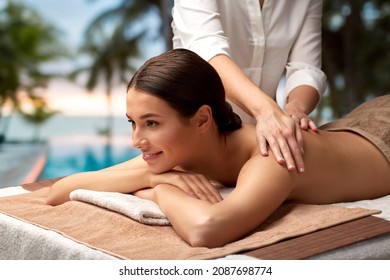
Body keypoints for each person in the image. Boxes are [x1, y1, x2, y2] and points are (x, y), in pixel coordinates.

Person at [46, 49, 390, 248]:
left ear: (201, 119)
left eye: (151, 123)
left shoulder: (270, 154)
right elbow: (60, 191)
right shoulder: (177, 153)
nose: (137, 140)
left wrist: (160, 189)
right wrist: (153, 180)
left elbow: (207, 230)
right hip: (347, 128)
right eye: (132, 123)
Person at [171, 0, 327, 173]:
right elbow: (206, 49)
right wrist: (266, 110)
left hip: (259, 142)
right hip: (196, 136)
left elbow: (305, 67)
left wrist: (296, 108)